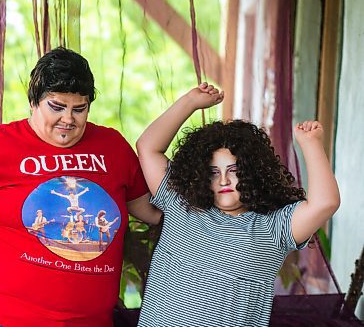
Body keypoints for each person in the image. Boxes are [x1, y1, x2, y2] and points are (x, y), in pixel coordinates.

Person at [0, 46, 162, 327]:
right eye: (57, 107)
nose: (68, 119)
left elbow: (148, 210)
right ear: (34, 102)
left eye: (79, 109)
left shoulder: (113, 147)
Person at [135, 83, 340, 326]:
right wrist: (189, 102)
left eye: (234, 170)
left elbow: (325, 203)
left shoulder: (272, 229)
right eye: (213, 173)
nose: (223, 180)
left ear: (252, 172)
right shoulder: (181, 205)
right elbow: (148, 147)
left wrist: (310, 143)